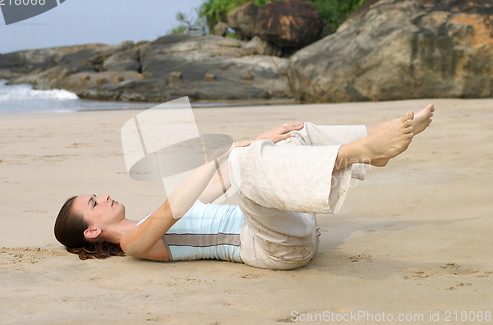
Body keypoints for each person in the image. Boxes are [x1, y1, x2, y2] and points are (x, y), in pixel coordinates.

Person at [54, 104, 434, 270]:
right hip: (276, 249)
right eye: (94, 201)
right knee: (244, 160)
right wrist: (227, 153)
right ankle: (355, 153)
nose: (104, 196)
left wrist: (261, 139)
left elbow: (221, 178)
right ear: (92, 230)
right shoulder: (135, 245)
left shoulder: (152, 220)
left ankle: (375, 143)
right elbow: (176, 207)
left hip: (288, 225)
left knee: (290, 133)